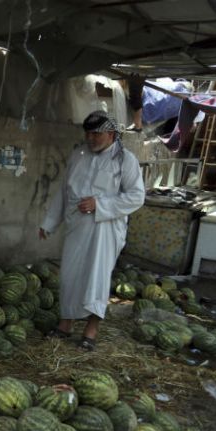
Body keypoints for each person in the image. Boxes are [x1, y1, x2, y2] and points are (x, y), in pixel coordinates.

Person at [38, 111, 145, 351]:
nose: (91, 138)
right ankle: (65, 325)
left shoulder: (125, 160)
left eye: (96, 133)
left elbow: (137, 197)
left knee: (96, 278)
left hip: (105, 230)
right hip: (77, 226)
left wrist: (100, 205)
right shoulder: (79, 155)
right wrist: (49, 222)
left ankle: (91, 331)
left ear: (111, 133)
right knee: (70, 275)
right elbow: (64, 191)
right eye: (88, 133)